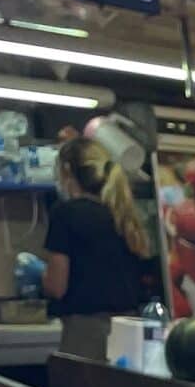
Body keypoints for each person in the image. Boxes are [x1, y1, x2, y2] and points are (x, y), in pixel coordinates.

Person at [41, 136, 154, 358]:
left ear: (66, 170)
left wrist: (40, 276)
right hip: (129, 329)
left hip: (87, 332)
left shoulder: (65, 213)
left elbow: (57, 286)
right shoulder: (122, 214)